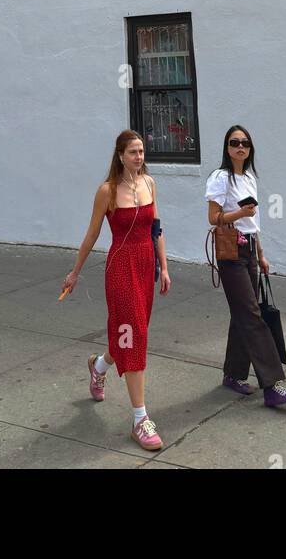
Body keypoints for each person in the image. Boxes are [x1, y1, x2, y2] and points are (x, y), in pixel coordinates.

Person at [60, 130, 171, 451]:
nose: (139, 157)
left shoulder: (149, 184)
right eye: (133, 152)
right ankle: (140, 420)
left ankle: (98, 366)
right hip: (120, 269)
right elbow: (92, 234)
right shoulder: (107, 191)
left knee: (130, 335)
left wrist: (163, 267)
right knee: (133, 335)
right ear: (120, 155)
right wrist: (75, 272)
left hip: (145, 264)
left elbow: (156, 229)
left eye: (142, 151)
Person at [205, 125, 286, 407]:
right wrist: (240, 212)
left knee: (242, 313)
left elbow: (253, 225)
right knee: (251, 313)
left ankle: (233, 374)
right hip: (231, 250)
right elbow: (214, 217)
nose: (240, 147)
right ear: (227, 148)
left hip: (250, 251)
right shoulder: (220, 177)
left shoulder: (248, 178)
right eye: (234, 143)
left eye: (245, 143)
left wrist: (262, 253)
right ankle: (272, 384)